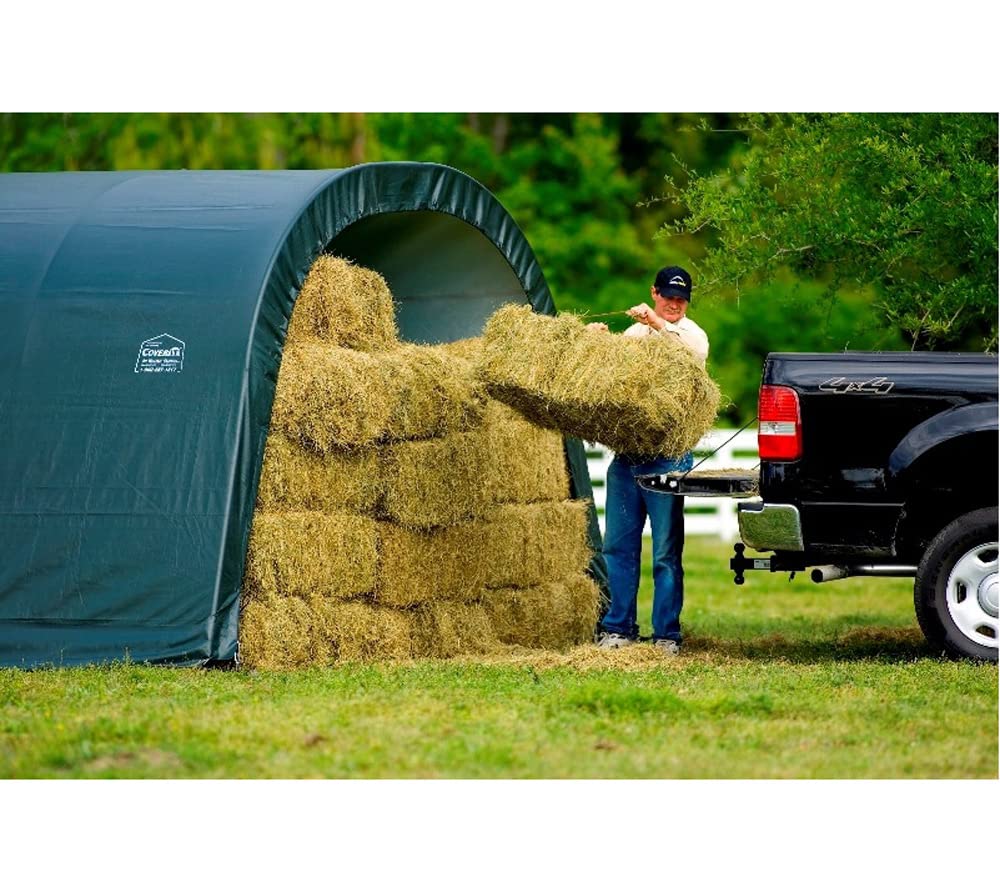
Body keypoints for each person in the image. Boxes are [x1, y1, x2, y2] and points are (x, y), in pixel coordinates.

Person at [587, 266, 709, 654]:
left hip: (668, 458)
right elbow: (615, 379)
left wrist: (655, 322)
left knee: (665, 553)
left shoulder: (693, 335)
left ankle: (666, 635)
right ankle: (618, 628)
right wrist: (597, 345)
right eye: (668, 296)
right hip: (628, 458)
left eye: (681, 298)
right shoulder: (634, 334)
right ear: (654, 292)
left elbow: (687, 364)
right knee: (618, 548)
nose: (675, 304)